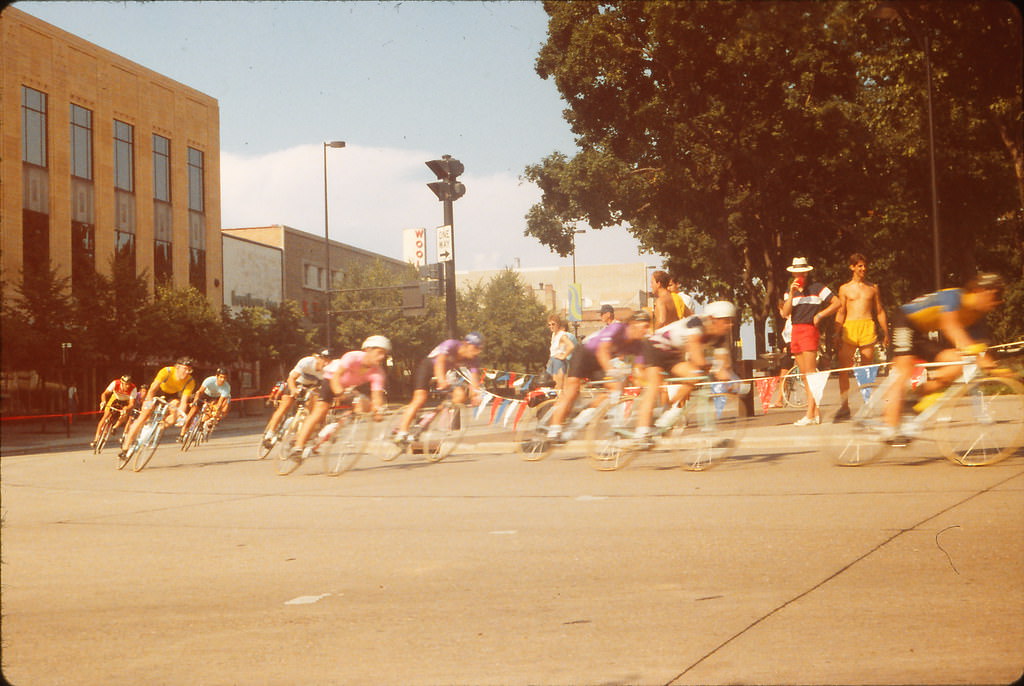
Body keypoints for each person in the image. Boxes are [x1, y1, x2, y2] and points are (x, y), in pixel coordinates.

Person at [882, 273, 1006, 442]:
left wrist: (998, 369)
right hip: (904, 321)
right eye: (995, 296)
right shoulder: (954, 296)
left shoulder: (976, 315)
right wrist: (978, 355)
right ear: (980, 290)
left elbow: (979, 347)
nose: (996, 302)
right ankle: (889, 427)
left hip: (921, 334)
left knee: (956, 364)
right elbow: (951, 327)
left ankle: (913, 398)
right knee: (903, 372)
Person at [633, 301, 737, 446]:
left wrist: (726, 376)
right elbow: (696, 354)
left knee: (696, 375)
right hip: (654, 347)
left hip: (672, 353)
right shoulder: (696, 324)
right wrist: (714, 369)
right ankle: (641, 434)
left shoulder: (720, 336)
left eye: (731, 321)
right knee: (654, 386)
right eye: (726, 321)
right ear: (713, 319)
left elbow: (723, 363)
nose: (730, 325)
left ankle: (667, 414)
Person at [283, 336, 392, 469]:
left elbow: (377, 396)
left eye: (385, 354)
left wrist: (378, 410)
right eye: (379, 352)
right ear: (368, 350)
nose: (382, 357)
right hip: (331, 380)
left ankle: (343, 422)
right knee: (320, 411)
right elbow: (336, 377)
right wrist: (340, 393)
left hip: (348, 387)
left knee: (364, 404)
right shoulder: (352, 357)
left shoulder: (378, 372)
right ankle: (298, 447)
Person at [545, 311, 651, 441]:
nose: (647, 330)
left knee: (614, 388)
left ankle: (579, 422)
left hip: (599, 362)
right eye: (644, 326)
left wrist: (646, 384)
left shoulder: (638, 344)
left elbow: (638, 369)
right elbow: (602, 350)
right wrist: (612, 371)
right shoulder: (618, 328)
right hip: (585, 354)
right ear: (634, 324)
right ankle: (554, 429)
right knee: (572, 390)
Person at [779, 257, 840, 426]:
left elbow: (837, 302)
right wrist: (791, 295)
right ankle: (815, 412)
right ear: (793, 273)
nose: (799, 275)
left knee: (811, 374)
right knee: (804, 374)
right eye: (796, 272)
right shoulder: (790, 290)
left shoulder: (817, 287)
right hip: (795, 330)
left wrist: (820, 315)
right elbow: (785, 313)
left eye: (802, 272)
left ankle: (810, 414)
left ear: (807, 272)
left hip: (809, 329)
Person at [393, 333, 484, 444]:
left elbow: (474, 379)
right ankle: (402, 432)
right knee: (420, 399)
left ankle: (429, 417)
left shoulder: (473, 359)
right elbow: (440, 362)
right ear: (466, 344)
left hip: (447, 372)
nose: (477, 351)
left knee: (460, 396)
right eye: (476, 348)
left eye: (480, 349)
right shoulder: (451, 344)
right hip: (428, 367)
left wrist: (475, 394)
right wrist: (441, 380)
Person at [833, 253, 890, 421]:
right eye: (859, 266)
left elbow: (879, 310)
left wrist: (885, 331)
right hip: (850, 328)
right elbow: (841, 311)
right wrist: (836, 332)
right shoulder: (844, 288)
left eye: (864, 266)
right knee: (844, 368)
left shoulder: (873, 287)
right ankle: (844, 406)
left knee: (867, 368)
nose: (863, 269)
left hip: (867, 326)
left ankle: (867, 404)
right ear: (852, 267)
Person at [119, 358, 196, 459]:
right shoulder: (167, 371)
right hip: (157, 392)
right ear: (177, 367)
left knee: (176, 411)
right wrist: (149, 403)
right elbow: (152, 389)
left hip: (172, 396)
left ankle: (159, 427)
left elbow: (184, 401)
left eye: (189, 370)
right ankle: (125, 448)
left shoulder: (190, 381)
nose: (187, 372)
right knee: (143, 417)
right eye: (185, 369)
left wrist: (181, 415)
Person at [261, 349, 333, 448]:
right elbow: (291, 379)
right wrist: (293, 389)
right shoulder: (307, 362)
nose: (326, 363)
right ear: (317, 358)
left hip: (312, 387)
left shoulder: (328, 370)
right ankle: (270, 433)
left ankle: (298, 437)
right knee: (285, 406)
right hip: (296, 383)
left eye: (328, 360)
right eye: (324, 359)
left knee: (312, 411)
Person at [179, 368, 232, 441]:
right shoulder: (209, 380)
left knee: (212, 411)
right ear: (217, 376)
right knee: (192, 412)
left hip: (215, 398)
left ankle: (202, 422)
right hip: (205, 395)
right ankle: (182, 434)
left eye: (225, 378)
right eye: (221, 377)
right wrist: (195, 401)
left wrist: (216, 409)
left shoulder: (227, 387)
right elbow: (199, 392)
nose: (222, 379)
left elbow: (220, 402)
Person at [92, 374, 137, 447]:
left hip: (125, 401)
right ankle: (96, 439)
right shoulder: (115, 383)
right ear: (122, 383)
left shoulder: (133, 388)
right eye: (126, 384)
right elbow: (104, 394)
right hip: (115, 399)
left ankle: (115, 427)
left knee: (125, 413)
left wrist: (126, 408)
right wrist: (103, 401)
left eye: (129, 384)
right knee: (105, 416)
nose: (127, 386)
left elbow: (131, 404)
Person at [545, 314, 576, 390]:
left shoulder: (562, 335)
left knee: (559, 386)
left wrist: (564, 356)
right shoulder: (554, 334)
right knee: (553, 386)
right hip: (553, 361)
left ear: (558, 324)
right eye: (549, 325)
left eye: (553, 324)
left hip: (559, 362)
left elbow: (571, 346)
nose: (551, 326)